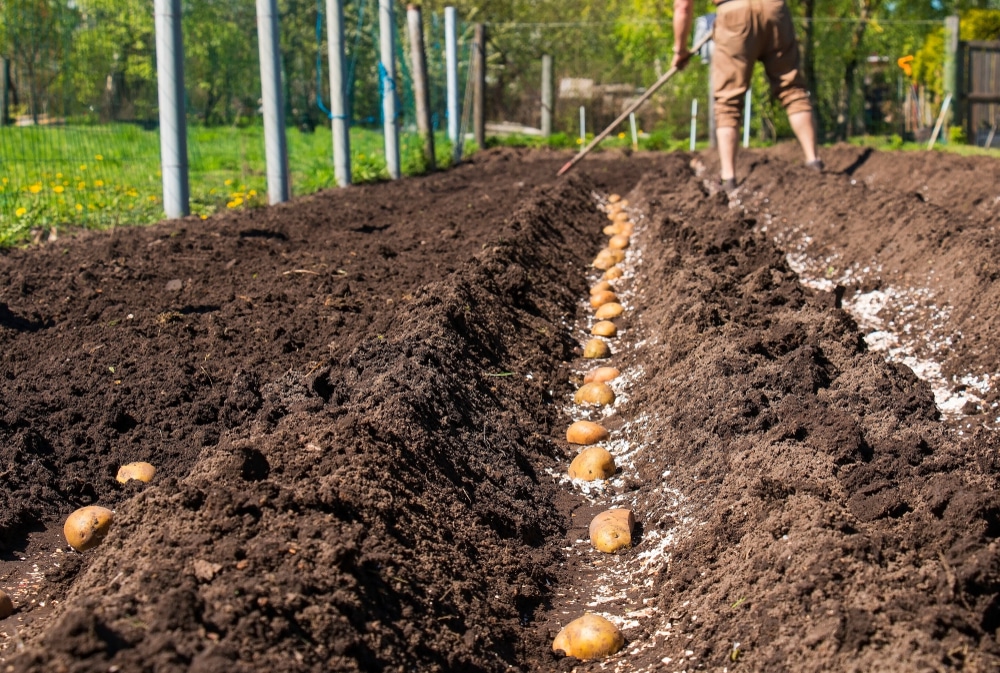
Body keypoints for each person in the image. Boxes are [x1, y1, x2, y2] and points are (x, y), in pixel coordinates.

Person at [672, 0, 822, 192]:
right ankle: (813, 161)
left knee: (728, 101)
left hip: (733, 13)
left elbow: (683, 6)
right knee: (792, 89)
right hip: (774, 9)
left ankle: (729, 178)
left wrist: (680, 50)